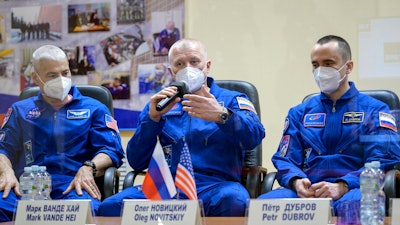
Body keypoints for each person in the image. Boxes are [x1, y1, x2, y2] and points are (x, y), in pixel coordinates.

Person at [98, 38, 265, 217]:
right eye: (180, 63)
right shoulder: (160, 103)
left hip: (215, 186)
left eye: (194, 62)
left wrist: (222, 115)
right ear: (171, 71)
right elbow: (136, 161)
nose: (188, 68)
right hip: (166, 186)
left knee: (234, 201)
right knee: (110, 207)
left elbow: (254, 136)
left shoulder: (232, 99)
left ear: (207, 66)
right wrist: (152, 119)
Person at [257, 35, 400, 214]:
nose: (320, 71)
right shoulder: (299, 113)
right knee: (264, 206)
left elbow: (382, 161)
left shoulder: (375, 110)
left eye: (328, 63)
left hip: (354, 190)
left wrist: (343, 185)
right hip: (309, 191)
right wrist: (297, 182)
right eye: (315, 65)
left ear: (348, 66)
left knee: (359, 205)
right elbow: (285, 159)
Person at [0, 45, 125, 221]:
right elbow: (3, 148)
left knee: (84, 213)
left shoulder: (94, 108)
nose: (61, 79)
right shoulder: (20, 110)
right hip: (27, 188)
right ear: (36, 78)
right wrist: (6, 171)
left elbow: (111, 150)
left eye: (65, 73)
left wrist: (89, 167)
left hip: (74, 185)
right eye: (52, 75)